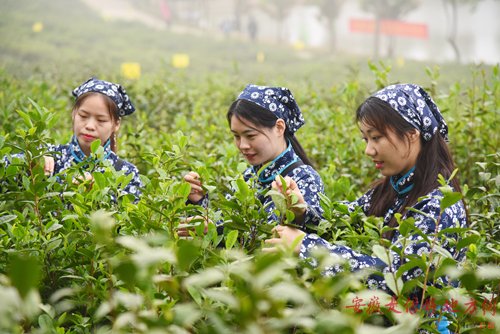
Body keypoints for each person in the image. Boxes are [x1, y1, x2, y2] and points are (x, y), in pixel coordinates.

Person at [265, 84, 467, 332]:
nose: (368, 150)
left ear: (413, 133)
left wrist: (306, 246)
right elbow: (346, 218)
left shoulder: (440, 205)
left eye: (376, 137)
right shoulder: (392, 188)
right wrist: (302, 211)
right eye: (365, 138)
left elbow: (400, 281)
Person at [183, 84, 324, 233]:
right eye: (236, 136)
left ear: (279, 128)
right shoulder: (248, 177)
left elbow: (278, 242)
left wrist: (214, 230)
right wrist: (198, 201)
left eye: (251, 136)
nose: (243, 145)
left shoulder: (304, 179)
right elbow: (229, 228)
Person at [2, 77, 142, 201]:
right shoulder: (50, 158)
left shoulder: (126, 173)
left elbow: (128, 226)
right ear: (74, 114)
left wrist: (98, 192)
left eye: (101, 120)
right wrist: (29, 164)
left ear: (116, 124)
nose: (90, 126)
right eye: (83, 116)